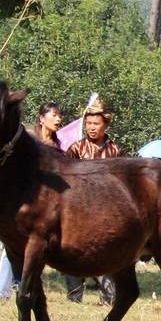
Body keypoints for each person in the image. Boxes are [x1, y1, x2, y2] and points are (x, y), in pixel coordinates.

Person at [64, 98, 120, 305]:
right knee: (71, 250)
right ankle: (74, 296)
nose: (91, 127)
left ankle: (108, 297)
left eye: (96, 124)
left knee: (105, 252)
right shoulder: (76, 149)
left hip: (106, 209)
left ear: (105, 124)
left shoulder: (116, 151)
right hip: (78, 207)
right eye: (88, 123)